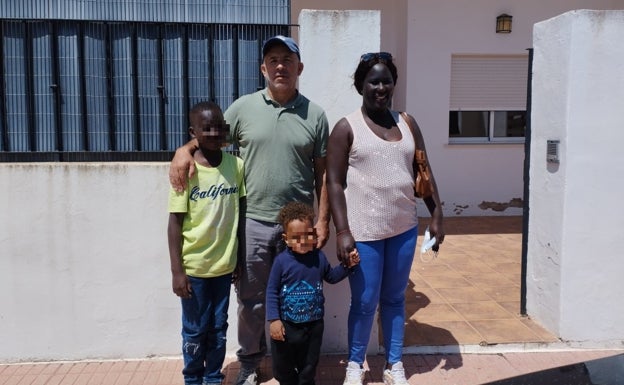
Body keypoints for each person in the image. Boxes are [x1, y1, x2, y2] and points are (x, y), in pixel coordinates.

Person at [168, 35, 330, 385]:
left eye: (287, 59)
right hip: (253, 222)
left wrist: (322, 219)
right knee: (251, 301)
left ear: (299, 67)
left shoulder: (315, 115)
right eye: (273, 60)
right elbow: (208, 137)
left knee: (297, 296)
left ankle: (289, 363)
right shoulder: (242, 108)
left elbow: (324, 174)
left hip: (298, 227)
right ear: (263, 68)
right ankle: (250, 362)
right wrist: (183, 150)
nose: (280, 66)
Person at [326, 52, 445, 385]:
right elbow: (334, 183)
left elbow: (423, 168)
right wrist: (343, 231)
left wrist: (437, 213)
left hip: (403, 228)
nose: (381, 87)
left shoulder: (407, 122)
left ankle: (394, 365)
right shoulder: (346, 128)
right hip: (363, 232)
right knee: (364, 302)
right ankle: (354, 365)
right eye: (373, 81)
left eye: (386, 80)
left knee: (394, 299)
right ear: (360, 85)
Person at [167, 101, 247, 385]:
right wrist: (178, 271)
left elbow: (241, 215)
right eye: (206, 128)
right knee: (194, 329)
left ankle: (213, 377)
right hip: (194, 269)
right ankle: (193, 378)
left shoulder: (236, 166)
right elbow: (175, 223)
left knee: (218, 327)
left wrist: (239, 258)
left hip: (224, 267)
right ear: (194, 132)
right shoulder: (184, 170)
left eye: (218, 127)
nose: (214, 132)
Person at [266, 202, 360, 385]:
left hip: (313, 327)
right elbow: (271, 291)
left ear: (314, 235)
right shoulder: (281, 262)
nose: (302, 241)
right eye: (296, 237)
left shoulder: (318, 257)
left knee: (308, 367)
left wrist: (348, 266)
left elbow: (331, 277)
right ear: (286, 238)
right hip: (286, 326)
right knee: (282, 369)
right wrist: (274, 320)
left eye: (307, 235)